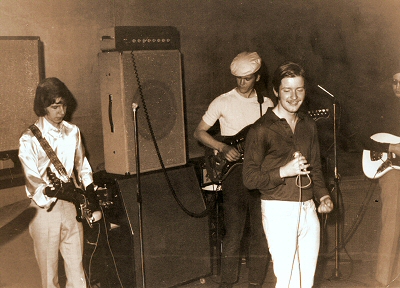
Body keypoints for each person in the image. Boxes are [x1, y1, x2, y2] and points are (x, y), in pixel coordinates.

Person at [242, 61, 334, 288]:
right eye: (287, 90)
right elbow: (249, 179)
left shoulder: (309, 125)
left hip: (308, 209)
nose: (294, 96)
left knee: (306, 280)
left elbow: (315, 168)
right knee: (288, 280)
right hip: (278, 210)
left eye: (299, 89)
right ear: (276, 91)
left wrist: (323, 196)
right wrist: (284, 171)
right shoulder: (260, 129)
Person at [194, 52, 274, 288]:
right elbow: (199, 132)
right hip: (233, 174)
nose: (241, 83)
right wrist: (221, 146)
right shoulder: (222, 101)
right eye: (238, 78)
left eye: (247, 78)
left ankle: (255, 283)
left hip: (258, 171)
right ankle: (227, 282)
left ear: (257, 77)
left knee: (260, 232)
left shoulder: (266, 104)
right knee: (234, 232)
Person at [18, 77, 98, 288]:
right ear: (43, 107)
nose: (61, 111)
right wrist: (59, 192)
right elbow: (33, 180)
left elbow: (83, 167)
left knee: (77, 271)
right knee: (49, 275)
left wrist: (91, 197)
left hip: (72, 208)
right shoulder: (29, 138)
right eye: (55, 106)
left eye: (63, 105)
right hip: (45, 211)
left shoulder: (73, 132)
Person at [361, 66, 400, 286]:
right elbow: (362, 139)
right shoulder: (383, 109)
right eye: (394, 81)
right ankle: (383, 280)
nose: (397, 87)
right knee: (392, 224)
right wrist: (392, 147)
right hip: (393, 171)